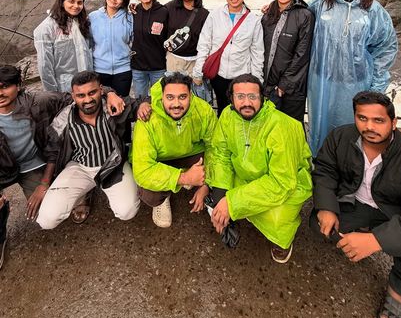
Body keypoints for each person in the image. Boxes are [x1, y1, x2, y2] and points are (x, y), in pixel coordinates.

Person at [310, 91, 401, 318]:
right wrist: (326, 207)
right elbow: (325, 171)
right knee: (317, 223)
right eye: (362, 118)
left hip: (393, 215)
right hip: (354, 204)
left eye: (378, 120)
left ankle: (399, 291)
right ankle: (358, 234)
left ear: (394, 122)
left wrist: (375, 240)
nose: (369, 126)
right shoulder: (340, 137)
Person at [0, 66, 123, 268]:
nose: (0, 93)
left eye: (5, 87)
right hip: (4, 169)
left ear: (19, 86)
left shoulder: (39, 102)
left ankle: (84, 193)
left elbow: (80, 97)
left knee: (44, 214)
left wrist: (109, 93)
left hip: (36, 163)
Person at [206, 74, 312, 263]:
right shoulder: (228, 115)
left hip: (286, 183)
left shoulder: (280, 126)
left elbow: (282, 181)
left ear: (263, 98)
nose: (247, 103)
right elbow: (220, 154)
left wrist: (233, 202)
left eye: (253, 97)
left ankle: (282, 242)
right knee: (219, 197)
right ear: (231, 99)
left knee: (277, 219)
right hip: (246, 174)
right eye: (240, 97)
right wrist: (220, 196)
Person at [307, 0, 398, 155]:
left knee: (352, 127)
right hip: (321, 81)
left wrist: (376, 87)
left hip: (356, 83)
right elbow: (296, 18)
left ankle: (351, 171)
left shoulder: (373, 10)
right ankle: (319, 166)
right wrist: (273, 8)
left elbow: (386, 47)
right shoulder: (321, 4)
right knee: (320, 127)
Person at [37, 71, 140, 230]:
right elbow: (53, 150)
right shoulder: (65, 115)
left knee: (127, 211)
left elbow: (140, 102)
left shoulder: (112, 106)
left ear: (100, 90)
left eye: (92, 93)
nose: (87, 99)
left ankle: (109, 189)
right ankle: (84, 194)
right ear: (73, 95)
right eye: (81, 95)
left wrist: (142, 105)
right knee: (47, 219)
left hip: (113, 165)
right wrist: (44, 183)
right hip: (79, 167)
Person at [130, 72, 217, 228]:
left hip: (192, 153)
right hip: (160, 159)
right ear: (161, 96)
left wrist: (206, 185)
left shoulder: (203, 110)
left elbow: (216, 148)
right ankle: (164, 197)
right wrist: (184, 178)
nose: (176, 104)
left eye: (182, 97)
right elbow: (142, 170)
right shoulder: (147, 118)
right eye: (170, 97)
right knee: (150, 193)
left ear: (190, 95)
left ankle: (188, 173)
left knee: (219, 165)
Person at [193, 0, 264, 116]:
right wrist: (198, 71)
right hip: (218, 74)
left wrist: (257, 81)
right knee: (222, 109)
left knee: (241, 112)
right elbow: (204, 44)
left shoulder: (253, 20)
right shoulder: (215, 15)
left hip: (242, 76)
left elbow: (257, 53)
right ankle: (223, 137)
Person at [261, 0, 314, 124]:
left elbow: (302, 54)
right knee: (269, 127)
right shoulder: (267, 15)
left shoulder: (305, 15)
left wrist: (285, 83)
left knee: (291, 128)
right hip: (268, 85)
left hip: (292, 87)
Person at [34, 0, 92, 92]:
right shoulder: (47, 28)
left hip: (86, 84)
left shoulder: (81, 23)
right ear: (62, 2)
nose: (76, 6)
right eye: (71, 1)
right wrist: (52, 93)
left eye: (80, 3)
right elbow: (45, 65)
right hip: (64, 87)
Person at [89, 0, 133, 97]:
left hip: (123, 70)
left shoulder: (129, 18)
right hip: (99, 69)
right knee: (101, 104)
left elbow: (134, 41)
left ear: (124, 2)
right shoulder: (93, 17)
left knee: (122, 104)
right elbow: (89, 42)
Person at [164, 0, 209, 76]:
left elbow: (207, 42)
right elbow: (154, 12)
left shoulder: (204, 14)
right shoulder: (169, 8)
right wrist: (137, 7)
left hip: (195, 62)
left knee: (192, 92)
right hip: (173, 60)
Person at [131, 0, 168, 98]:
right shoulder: (133, 12)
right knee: (140, 101)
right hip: (138, 67)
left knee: (158, 100)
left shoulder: (164, 11)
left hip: (158, 66)